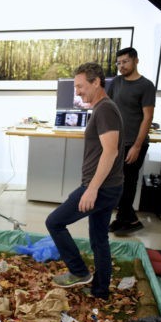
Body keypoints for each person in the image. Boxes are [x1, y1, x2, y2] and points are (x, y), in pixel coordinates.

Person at [46, 63, 124, 299]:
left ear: (96, 82)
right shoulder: (101, 108)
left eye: (80, 86)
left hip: (101, 188)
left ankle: (79, 272)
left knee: (54, 222)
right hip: (107, 186)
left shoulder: (105, 109)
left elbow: (110, 152)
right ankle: (100, 290)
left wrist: (91, 189)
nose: (77, 92)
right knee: (99, 238)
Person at [106, 47, 156, 236]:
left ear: (136, 61)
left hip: (133, 144)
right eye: (118, 63)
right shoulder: (116, 82)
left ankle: (127, 220)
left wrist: (136, 146)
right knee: (116, 182)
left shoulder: (146, 85)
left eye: (125, 62)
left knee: (128, 184)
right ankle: (127, 219)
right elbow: (108, 107)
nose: (121, 66)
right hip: (116, 142)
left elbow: (148, 117)